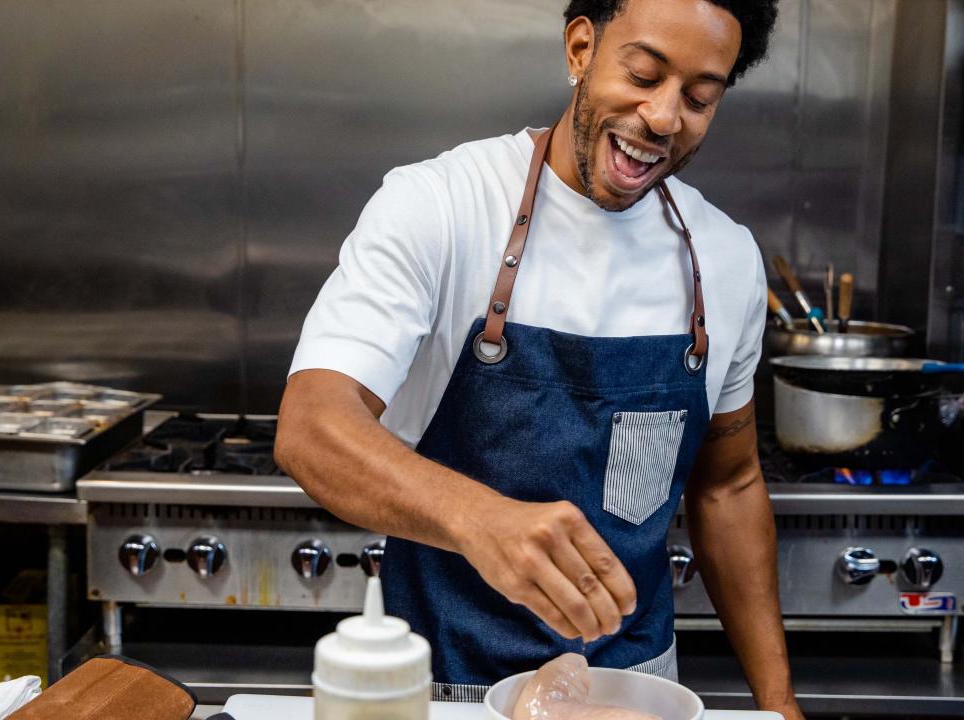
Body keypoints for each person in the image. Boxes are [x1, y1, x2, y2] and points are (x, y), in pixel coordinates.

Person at [276, 1, 802, 717]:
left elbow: (729, 486)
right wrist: (483, 520)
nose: (663, 118)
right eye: (644, 74)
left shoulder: (727, 258)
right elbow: (312, 425)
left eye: (700, 98)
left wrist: (779, 703)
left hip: (633, 692)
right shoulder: (441, 206)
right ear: (582, 48)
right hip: (445, 691)